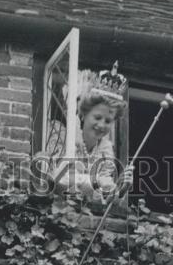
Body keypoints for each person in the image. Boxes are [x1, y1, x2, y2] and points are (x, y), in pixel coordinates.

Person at [48, 64, 133, 202]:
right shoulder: (64, 138)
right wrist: (99, 183)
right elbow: (60, 181)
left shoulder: (105, 151)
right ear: (83, 115)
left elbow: (105, 198)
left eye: (108, 121)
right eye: (97, 117)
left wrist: (121, 188)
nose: (101, 125)